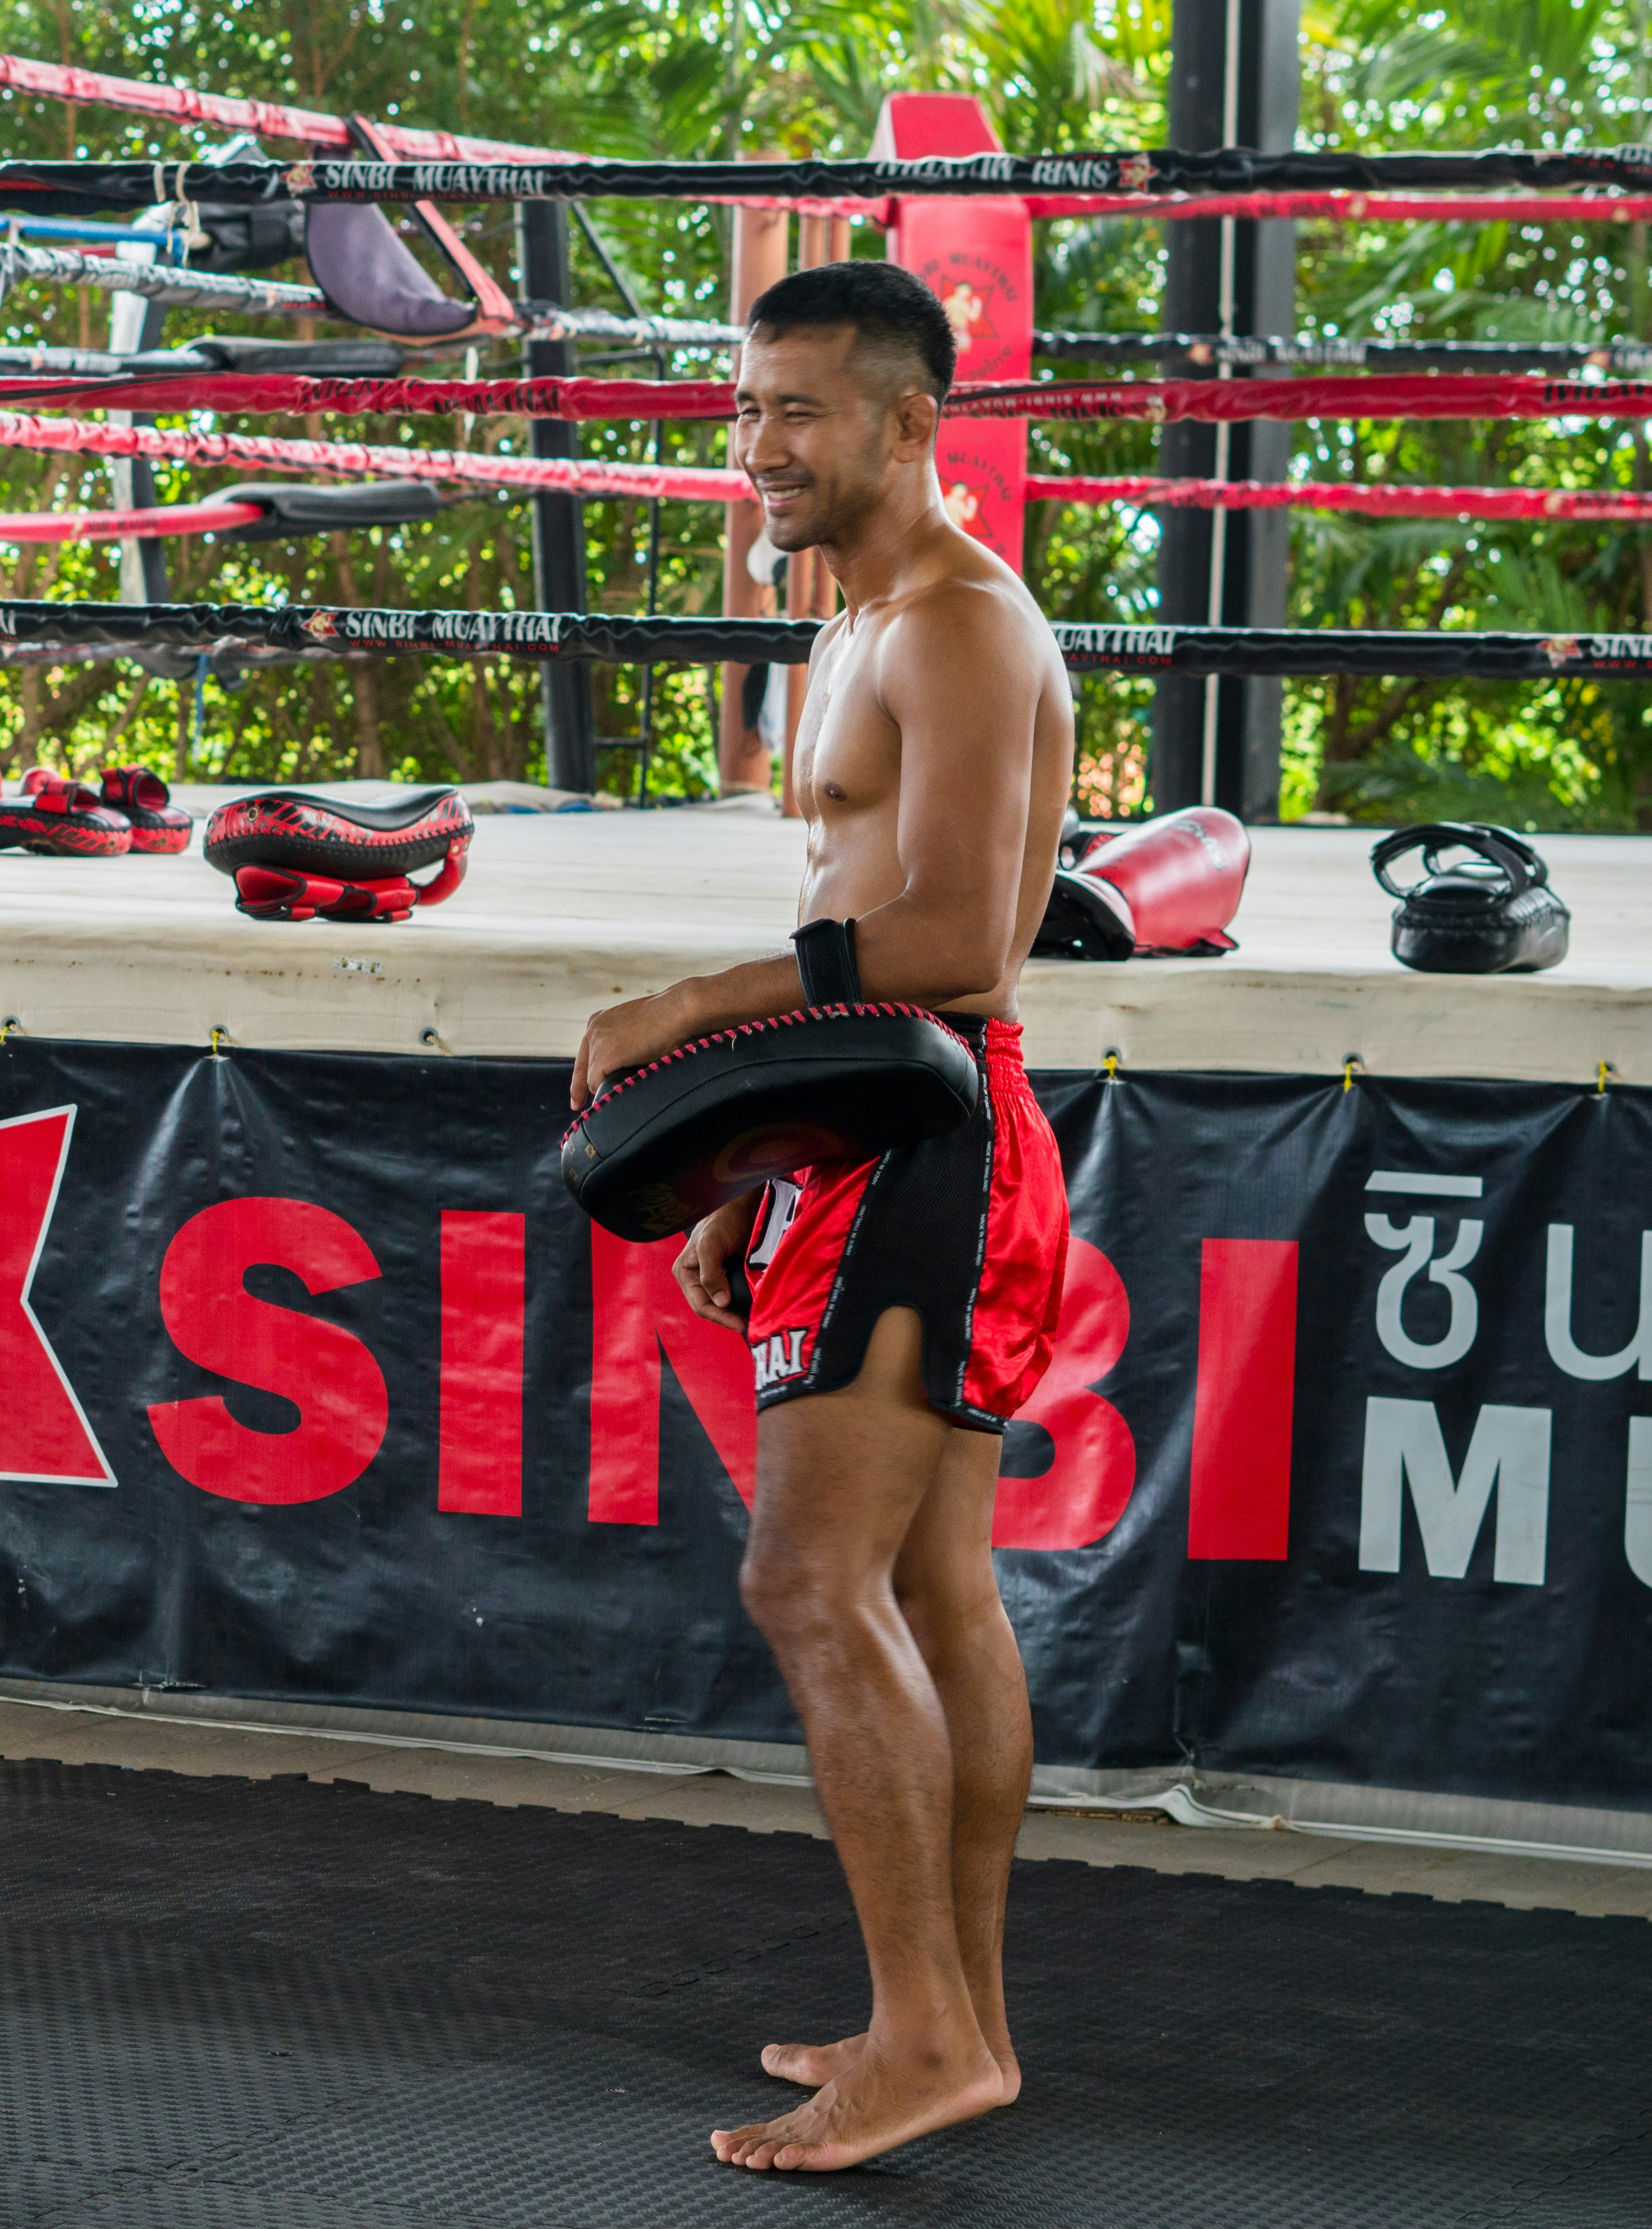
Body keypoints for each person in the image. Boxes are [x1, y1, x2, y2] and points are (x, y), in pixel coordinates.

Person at [568, 261, 1075, 2172]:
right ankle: (953, 2026)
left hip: (934, 1138)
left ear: (904, 421)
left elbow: (956, 938)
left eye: (794, 409)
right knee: (930, 1588)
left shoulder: (956, 623)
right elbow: (869, 943)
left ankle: (926, 2030)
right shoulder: (851, 622)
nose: (756, 445)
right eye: (744, 406)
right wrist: (769, 1153)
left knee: (806, 1582)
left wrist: (685, 1014)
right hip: (872, 1131)